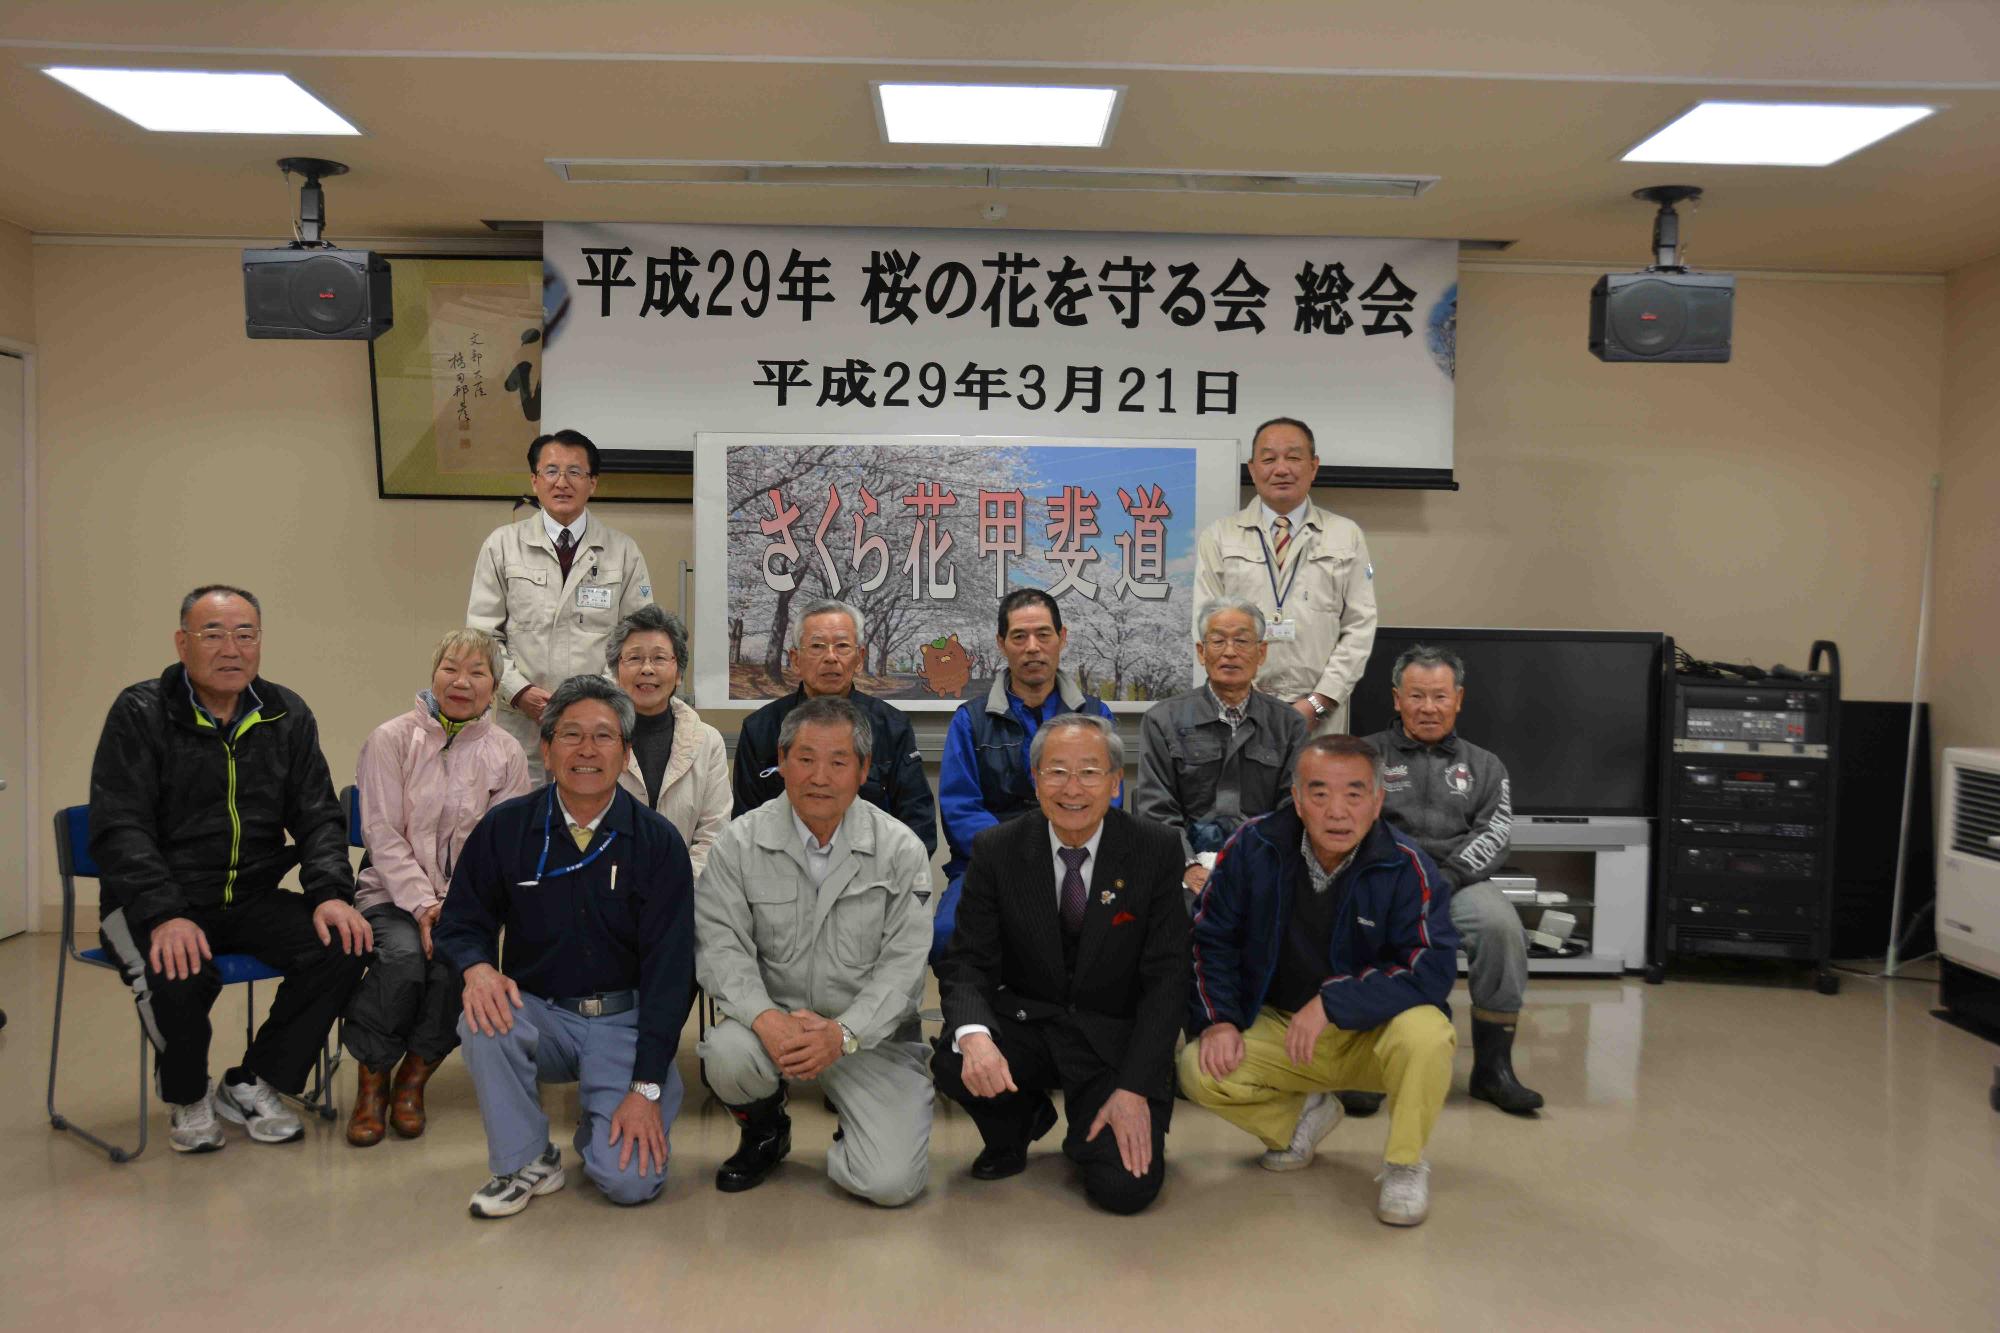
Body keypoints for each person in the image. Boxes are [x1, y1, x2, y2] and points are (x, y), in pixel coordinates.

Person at [88, 585, 370, 1152]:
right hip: (152, 902)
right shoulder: (141, 712)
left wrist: (330, 894)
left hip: (248, 896)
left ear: (259, 643)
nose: (231, 649)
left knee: (343, 943)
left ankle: (253, 1081)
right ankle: (187, 1095)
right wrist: (164, 913)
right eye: (212, 634)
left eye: (245, 635)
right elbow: (120, 827)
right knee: (180, 969)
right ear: (182, 644)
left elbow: (318, 816)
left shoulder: (286, 714)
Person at [435, 676, 696, 1218]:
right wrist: (478, 969)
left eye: (603, 736)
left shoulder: (657, 842)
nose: (586, 750)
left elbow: (672, 972)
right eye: (571, 735)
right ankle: (527, 1160)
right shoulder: (506, 828)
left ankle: (601, 1123)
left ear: (626, 753)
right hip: (541, 1014)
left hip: (625, 1023)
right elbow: (460, 922)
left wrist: (646, 1087)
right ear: (547, 749)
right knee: (483, 1018)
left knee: (629, 1183)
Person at [1179, 735, 1459, 1227]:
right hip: (1284, 1029)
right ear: (1296, 797)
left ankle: (1405, 1164)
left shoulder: (1407, 865)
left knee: (1429, 1035)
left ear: (1377, 801)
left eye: (1354, 794)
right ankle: (1302, 1118)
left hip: (1369, 1035)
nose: (1337, 812)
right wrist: (1218, 1020)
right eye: (1320, 793)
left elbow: (1430, 968)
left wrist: (1334, 1002)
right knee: (1197, 1068)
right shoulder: (1253, 845)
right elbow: (1210, 938)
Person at [933, 714, 1188, 1216]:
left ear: (1115, 782)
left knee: (1125, 1191)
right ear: (1035, 780)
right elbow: (967, 962)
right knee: (954, 1057)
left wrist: (1134, 1088)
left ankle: (1094, 1125)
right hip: (1029, 1021)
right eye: (1056, 772)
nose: (1072, 788)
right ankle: (1017, 1124)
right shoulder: (998, 849)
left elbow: (1168, 980)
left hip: (1112, 1038)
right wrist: (975, 1037)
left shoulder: (1154, 849)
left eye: (1090, 772)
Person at [696, 696, 934, 1206]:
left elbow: (904, 968)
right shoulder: (739, 843)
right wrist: (764, 1018)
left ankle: (857, 1127)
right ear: (781, 762)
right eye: (805, 759)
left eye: (838, 762)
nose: (819, 777)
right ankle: (766, 1130)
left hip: (869, 1037)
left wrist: (844, 1033)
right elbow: (720, 946)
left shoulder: (900, 849)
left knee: (889, 1184)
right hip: (774, 1026)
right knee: (727, 1054)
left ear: (864, 770)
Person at [343, 628, 530, 1147]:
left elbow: (498, 847)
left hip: (465, 903)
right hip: (390, 893)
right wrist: (424, 903)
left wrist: (454, 905)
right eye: (450, 668)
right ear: (433, 675)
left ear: (494, 688)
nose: (461, 682)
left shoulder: (507, 753)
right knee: (403, 960)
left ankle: (413, 1079)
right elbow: (380, 832)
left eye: (476, 673)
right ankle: (373, 1079)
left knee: (457, 969)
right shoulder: (390, 739)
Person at [1360, 644, 1542, 1115]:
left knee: (1501, 927)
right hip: (1383, 879)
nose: (1428, 707)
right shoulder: (1365, 755)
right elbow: (1347, 821)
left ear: (1458, 699)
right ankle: (1362, 1066)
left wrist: (1447, 877)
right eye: (1416, 696)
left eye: (1439, 696)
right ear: (1397, 698)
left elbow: (1495, 832)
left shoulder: (1486, 765)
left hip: (1459, 882)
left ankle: (1493, 1070)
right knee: (1353, 925)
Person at [933, 589, 1115, 960]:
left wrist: (1057, 857)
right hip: (990, 863)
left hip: (1077, 860)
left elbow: (1105, 803)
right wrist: (1020, 858)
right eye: (1019, 636)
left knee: (1114, 934)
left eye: (1043, 635)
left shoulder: (1095, 717)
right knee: (948, 935)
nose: (1032, 648)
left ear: (1061, 638)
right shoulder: (971, 720)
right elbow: (960, 810)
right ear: (1002, 643)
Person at [467, 429, 655, 779]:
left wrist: (594, 700)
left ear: (592, 483)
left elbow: (637, 643)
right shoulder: (502, 546)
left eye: (575, 472)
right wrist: (519, 691)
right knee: (520, 806)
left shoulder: (623, 552)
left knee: (592, 805)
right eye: (551, 471)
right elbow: (482, 636)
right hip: (522, 722)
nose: (562, 482)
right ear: (534, 480)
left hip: (599, 723)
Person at [1192, 416, 1377, 734]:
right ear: (1252, 469)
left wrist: (1319, 702)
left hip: (1321, 716)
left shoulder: (1345, 536)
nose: (1281, 469)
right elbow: (1205, 626)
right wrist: (1245, 699)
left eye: (1293, 457)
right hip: (1240, 712)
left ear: (1314, 466)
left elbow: (1360, 627)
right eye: (1268, 459)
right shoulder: (1219, 537)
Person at [1132, 598, 1308, 913]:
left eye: (1241, 641)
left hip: (1263, 867)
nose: (1229, 652)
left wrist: (1259, 865)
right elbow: (1155, 807)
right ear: (1202, 652)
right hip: (1183, 869)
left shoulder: (1289, 724)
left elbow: (1292, 810)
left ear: (1261, 652)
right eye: (1218, 641)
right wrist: (1187, 865)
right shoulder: (1163, 720)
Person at [730, 597, 935, 857]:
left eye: (842, 646)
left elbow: (918, 823)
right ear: (795, 659)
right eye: (817, 646)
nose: (830, 657)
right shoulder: (760, 729)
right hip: (781, 872)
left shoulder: (892, 727)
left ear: (860, 658)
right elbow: (746, 828)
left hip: (873, 871)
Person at [606, 605, 731, 874]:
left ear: (679, 673)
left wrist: (676, 887)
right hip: (605, 888)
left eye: (659, 658)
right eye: (634, 658)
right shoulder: (591, 738)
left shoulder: (708, 742)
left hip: (686, 888)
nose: (647, 669)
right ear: (616, 672)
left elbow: (714, 835)